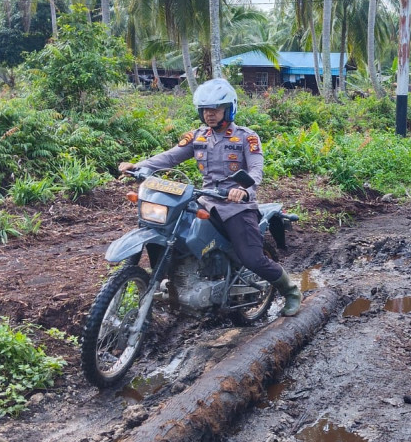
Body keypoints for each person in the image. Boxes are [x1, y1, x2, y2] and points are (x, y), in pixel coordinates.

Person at [118, 79, 303, 316]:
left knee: (252, 258)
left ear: (229, 109)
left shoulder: (246, 137)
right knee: (173, 234)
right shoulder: (198, 137)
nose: (210, 114)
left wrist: (243, 189)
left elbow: (256, 170)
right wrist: (139, 166)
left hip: (236, 206)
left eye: (216, 109)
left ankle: (291, 291)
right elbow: (170, 157)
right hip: (205, 201)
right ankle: (176, 281)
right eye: (205, 109)